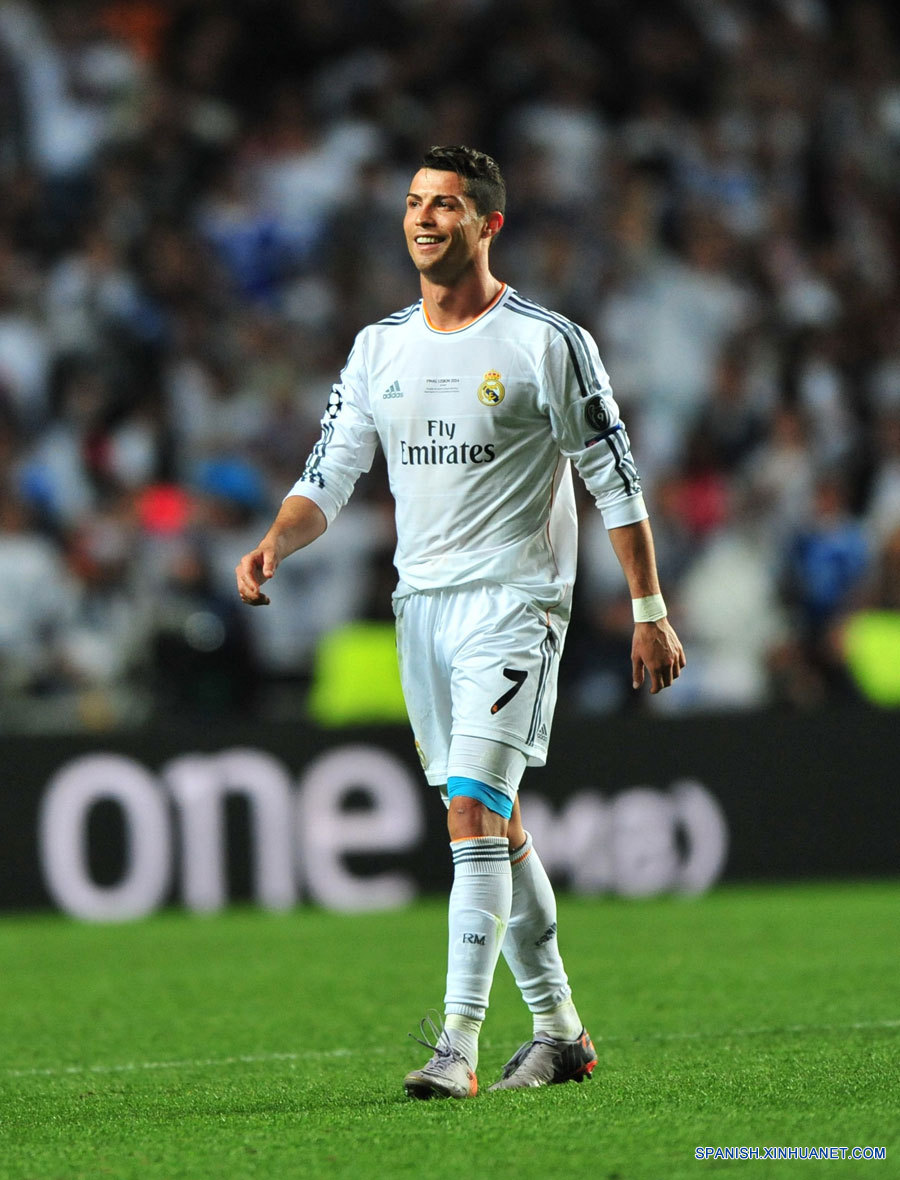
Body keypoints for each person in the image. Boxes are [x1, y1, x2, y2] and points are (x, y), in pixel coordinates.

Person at [235, 145, 685, 1099]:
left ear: (489, 223)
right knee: (495, 823)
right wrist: (276, 540)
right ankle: (561, 1032)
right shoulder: (379, 348)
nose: (424, 218)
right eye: (414, 202)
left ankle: (457, 1044)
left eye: (445, 204)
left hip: (516, 604)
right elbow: (329, 474)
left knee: (471, 811)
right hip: (422, 609)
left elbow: (615, 480)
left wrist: (649, 608)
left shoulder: (546, 342)